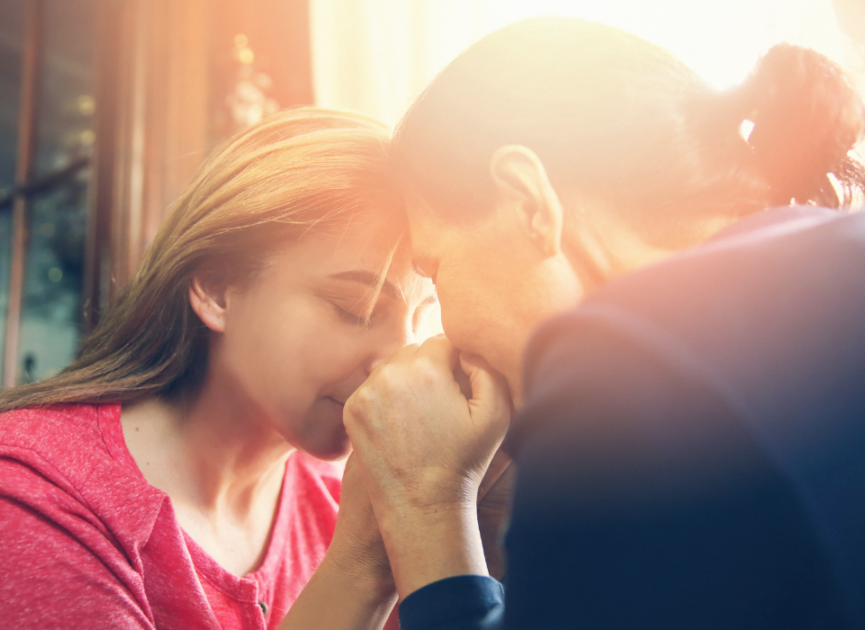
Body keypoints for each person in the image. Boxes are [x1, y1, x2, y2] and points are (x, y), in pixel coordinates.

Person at [341, 17, 865, 629]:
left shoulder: (626, 370)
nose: (447, 329)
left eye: (436, 270)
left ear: (529, 201)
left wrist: (424, 507)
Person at [0, 108, 439, 630]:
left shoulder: (341, 498)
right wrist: (361, 570)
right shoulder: (38, 491)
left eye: (420, 319)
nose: (398, 360)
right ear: (217, 290)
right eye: (357, 308)